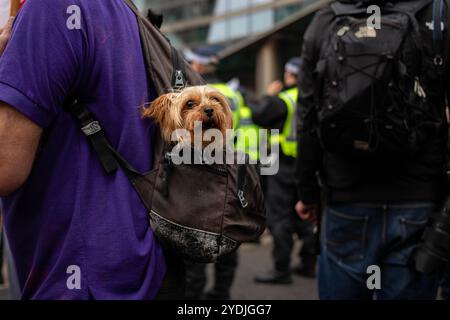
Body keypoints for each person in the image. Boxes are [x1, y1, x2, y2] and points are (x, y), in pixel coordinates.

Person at [0, 0, 173, 299]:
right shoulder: (123, 9)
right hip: (135, 262)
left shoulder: (48, 8)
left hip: (74, 276)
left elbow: (4, 168)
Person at [296, 0, 447, 299]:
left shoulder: (326, 19)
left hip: (346, 198)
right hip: (418, 198)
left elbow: (307, 118)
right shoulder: (439, 13)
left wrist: (307, 194)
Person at [183, 47, 249, 300]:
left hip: (200, 173)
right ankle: (221, 294)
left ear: (198, 67)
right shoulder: (233, 92)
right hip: (233, 171)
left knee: (195, 242)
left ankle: (195, 298)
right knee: (228, 237)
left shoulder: (193, 96)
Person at [253, 57, 317, 285]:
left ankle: (281, 271)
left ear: (289, 75)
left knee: (280, 218)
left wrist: (269, 94)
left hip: (281, 166)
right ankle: (309, 265)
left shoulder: (283, 100)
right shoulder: (315, 98)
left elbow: (258, 116)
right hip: (308, 166)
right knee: (307, 214)